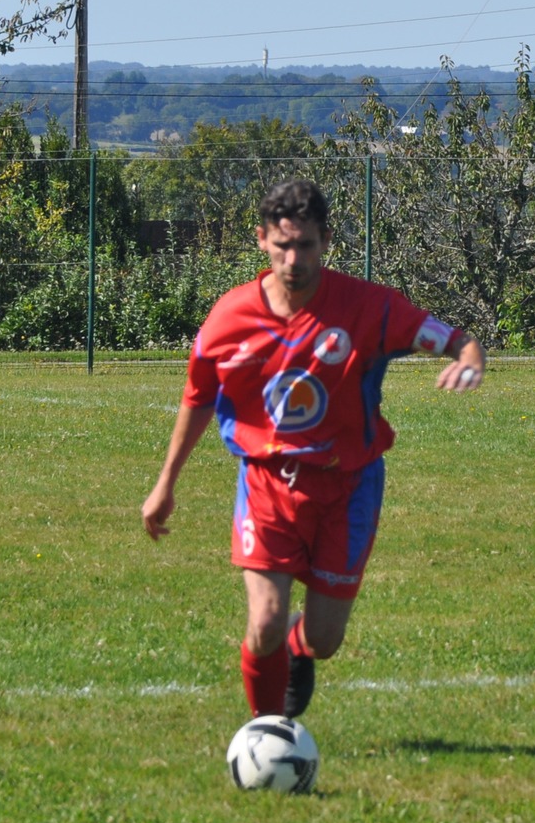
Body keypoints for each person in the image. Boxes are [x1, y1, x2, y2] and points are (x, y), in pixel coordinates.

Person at [141, 179, 485, 720]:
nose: (293, 259)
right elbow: (198, 397)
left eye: (305, 245)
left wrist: (469, 358)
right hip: (267, 483)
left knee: (324, 638)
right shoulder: (229, 319)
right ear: (261, 241)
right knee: (266, 620)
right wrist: (165, 485)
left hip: (349, 486)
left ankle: (301, 654)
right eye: (282, 245)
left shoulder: (369, 307)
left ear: (325, 241)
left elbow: (451, 338)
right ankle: (268, 731)